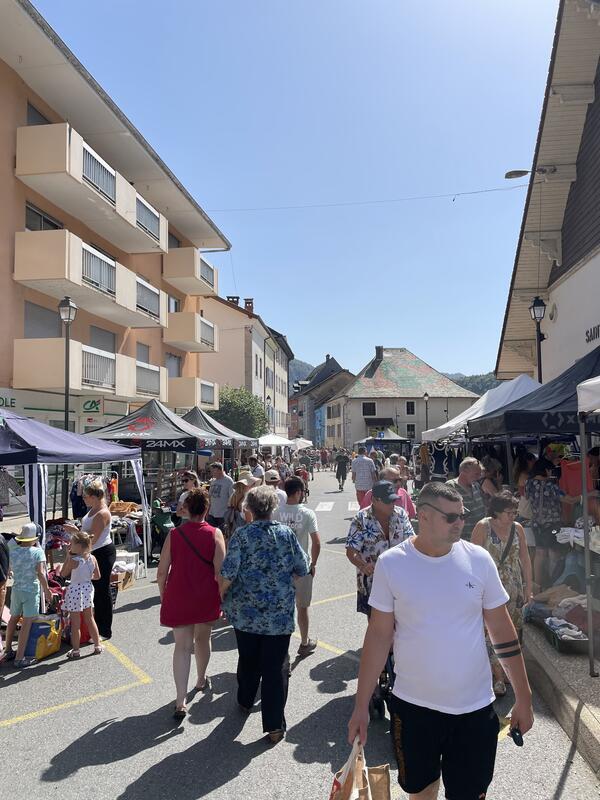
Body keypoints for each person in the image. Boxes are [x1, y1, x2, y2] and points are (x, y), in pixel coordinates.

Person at [348, 482, 534, 800]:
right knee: (422, 793)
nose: (459, 523)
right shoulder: (392, 564)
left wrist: (524, 696)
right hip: (413, 709)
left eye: (461, 516)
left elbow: (503, 633)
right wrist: (361, 705)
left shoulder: (479, 560)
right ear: (423, 516)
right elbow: (379, 636)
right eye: (450, 518)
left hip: (474, 708)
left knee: (470, 794)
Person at [220, 486, 310, 743]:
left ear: (248, 508)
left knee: (248, 659)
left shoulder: (242, 535)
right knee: (275, 668)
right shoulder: (286, 534)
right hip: (278, 614)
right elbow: (302, 567)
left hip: (245, 613)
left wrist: (222, 596)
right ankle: (274, 726)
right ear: (273, 509)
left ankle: (245, 700)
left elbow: (228, 574)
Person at [158, 488, 225, 719]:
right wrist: (223, 599)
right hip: (205, 596)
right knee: (203, 639)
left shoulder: (174, 535)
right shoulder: (215, 533)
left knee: (182, 647)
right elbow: (221, 573)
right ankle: (200, 679)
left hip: (179, 595)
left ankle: (180, 700)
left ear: (187, 509)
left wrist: (163, 596)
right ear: (206, 509)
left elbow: (161, 573)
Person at [471, 491, 533, 697]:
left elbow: (525, 558)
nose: (513, 516)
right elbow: (472, 560)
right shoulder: (483, 527)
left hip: (514, 586)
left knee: (514, 630)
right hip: (490, 585)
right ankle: (497, 675)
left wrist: (528, 587)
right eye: (509, 512)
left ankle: (508, 672)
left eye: (515, 511)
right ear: (496, 511)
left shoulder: (518, 529)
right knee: (492, 632)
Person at [346, 481, 414, 614]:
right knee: (376, 624)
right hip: (372, 581)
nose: (392, 505)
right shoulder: (361, 519)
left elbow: (411, 541)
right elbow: (351, 551)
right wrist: (363, 566)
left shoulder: (400, 514)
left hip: (400, 579)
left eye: (393, 501)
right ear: (375, 500)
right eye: (388, 502)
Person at [274, 476, 321, 656]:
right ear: (299, 492)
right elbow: (316, 543)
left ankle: (282, 649)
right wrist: (313, 563)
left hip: (280, 567)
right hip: (302, 567)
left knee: (282, 608)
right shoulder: (307, 513)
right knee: (302, 607)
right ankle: (304, 642)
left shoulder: (275, 512)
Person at [65, 480, 115, 640]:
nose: (83, 499)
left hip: (101, 552)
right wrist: (77, 531)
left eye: (86, 497)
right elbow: (88, 535)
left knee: (101, 591)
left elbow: (92, 539)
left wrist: (76, 533)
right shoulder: (94, 509)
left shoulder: (102, 513)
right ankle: (95, 627)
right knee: (95, 591)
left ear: (94, 497)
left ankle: (105, 630)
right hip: (93, 551)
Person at [1, 523, 52, 667]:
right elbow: (41, 573)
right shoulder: (37, 552)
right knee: (27, 623)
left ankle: (8, 649)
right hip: (31, 590)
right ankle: (20, 657)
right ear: (35, 538)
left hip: (17, 589)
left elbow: (9, 567)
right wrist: (47, 590)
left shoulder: (14, 551)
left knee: (13, 619)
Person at [61, 530, 103, 659]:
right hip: (87, 589)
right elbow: (97, 576)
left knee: (75, 623)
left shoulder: (74, 561)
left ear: (78, 546)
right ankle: (97, 645)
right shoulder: (92, 558)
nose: (70, 545)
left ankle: (76, 650)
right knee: (90, 618)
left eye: (72, 543)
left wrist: (68, 557)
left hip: (74, 590)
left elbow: (63, 573)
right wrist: (87, 576)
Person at [525, 458, 564, 590]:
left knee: (540, 553)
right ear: (546, 470)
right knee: (554, 553)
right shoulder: (550, 486)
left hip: (536, 523)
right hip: (551, 524)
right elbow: (567, 499)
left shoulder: (528, 484)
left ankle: (538, 584)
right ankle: (553, 584)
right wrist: (583, 497)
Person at [445, 457, 486, 541]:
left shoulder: (476, 486)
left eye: (479, 474)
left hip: (479, 537)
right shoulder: (450, 487)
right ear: (464, 471)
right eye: (476, 474)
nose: (478, 477)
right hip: (461, 540)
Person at [222, 477, 255, 543]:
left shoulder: (232, 498)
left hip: (233, 534)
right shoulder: (245, 503)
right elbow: (249, 524)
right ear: (246, 487)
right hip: (243, 537)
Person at [207, 462, 234, 529]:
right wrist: (207, 511)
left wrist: (230, 514)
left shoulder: (229, 481)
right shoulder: (213, 481)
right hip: (212, 514)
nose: (211, 473)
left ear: (219, 470)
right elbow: (209, 497)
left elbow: (232, 498)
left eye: (213, 471)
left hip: (223, 515)